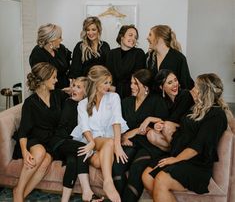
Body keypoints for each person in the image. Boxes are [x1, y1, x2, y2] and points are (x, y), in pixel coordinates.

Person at [142, 73, 233, 202]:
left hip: (197, 164)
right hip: (181, 155)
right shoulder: (196, 108)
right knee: (147, 176)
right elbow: (184, 129)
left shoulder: (216, 115)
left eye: (196, 87)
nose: (192, 89)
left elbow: (199, 146)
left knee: (161, 179)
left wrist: (176, 159)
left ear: (204, 92)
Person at [71, 65, 128, 202]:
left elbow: (116, 120)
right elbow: (85, 128)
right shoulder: (83, 104)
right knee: (108, 142)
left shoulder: (114, 97)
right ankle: (108, 182)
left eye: (110, 82)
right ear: (95, 83)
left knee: (99, 160)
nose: (108, 86)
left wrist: (118, 145)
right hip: (92, 141)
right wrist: (91, 142)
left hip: (107, 144)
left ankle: (107, 181)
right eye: (105, 82)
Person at [13, 62, 68, 202]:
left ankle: (21, 194)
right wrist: (25, 152)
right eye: (54, 77)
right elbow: (24, 131)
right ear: (44, 80)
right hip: (34, 138)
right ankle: (19, 190)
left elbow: (74, 95)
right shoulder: (30, 103)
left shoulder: (58, 95)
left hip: (51, 140)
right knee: (39, 153)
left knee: (46, 161)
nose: (57, 80)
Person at [112, 69, 169, 202]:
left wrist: (140, 127)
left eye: (136, 84)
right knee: (117, 167)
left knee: (136, 169)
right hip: (130, 143)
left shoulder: (157, 101)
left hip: (149, 146)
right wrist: (125, 136)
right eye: (131, 83)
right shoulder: (126, 102)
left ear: (146, 86)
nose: (131, 86)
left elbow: (161, 127)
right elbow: (119, 128)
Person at [49, 77, 103, 202]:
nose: (74, 89)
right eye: (74, 86)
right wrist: (69, 89)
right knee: (84, 149)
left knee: (73, 161)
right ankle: (87, 192)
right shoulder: (69, 102)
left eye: (78, 87)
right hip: (59, 142)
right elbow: (56, 93)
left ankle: (64, 200)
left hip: (72, 146)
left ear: (86, 91)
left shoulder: (88, 106)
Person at [139, 69, 195, 151]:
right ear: (162, 87)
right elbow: (162, 120)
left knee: (167, 126)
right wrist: (157, 125)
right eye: (169, 83)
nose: (175, 84)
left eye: (175, 80)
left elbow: (174, 119)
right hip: (171, 134)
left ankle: (179, 154)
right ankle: (175, 152)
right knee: (151, 134)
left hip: (186, 130)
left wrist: (151, 119)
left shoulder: (185, 95)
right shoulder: (162, 100)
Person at [146, 25, 194, 90]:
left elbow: (185, 85)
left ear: (159, 38)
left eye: (150, 35)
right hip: (153, 99)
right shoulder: (148, 57)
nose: (147, 38)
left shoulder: (179, 58)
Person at [106, 24, 146, 99]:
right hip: (112, 96)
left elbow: (137, 78)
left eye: (135, 37)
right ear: (121, 37)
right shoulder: (111, 53)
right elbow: (108, 75)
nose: (133, 39)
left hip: (131, 95)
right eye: (130, 35)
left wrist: (116, 89)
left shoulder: (139, 53)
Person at [29, 23, 72, 89]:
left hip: (65, 89)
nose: (61, 40)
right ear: (51, 40)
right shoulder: (37, 54)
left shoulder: (61, 48)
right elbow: (41, 80)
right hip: (48, 92)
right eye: (59, 37)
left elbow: (70, 63)